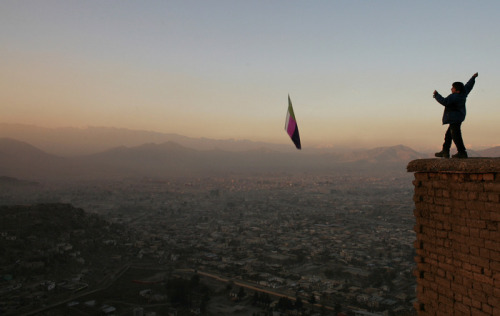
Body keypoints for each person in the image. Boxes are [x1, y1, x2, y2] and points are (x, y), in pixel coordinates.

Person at [433, 72, 478, 159]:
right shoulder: (463, 93)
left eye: (453, 88)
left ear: (457, 90)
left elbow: (445, 102)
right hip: (458, 117)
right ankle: (445, 151)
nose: (451, 89)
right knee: (449, 135)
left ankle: (461, 152)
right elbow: (469, 86)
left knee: (455, 135)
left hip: (454, 118)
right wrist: (473, 77)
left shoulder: (454, 97)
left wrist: (436, 95)